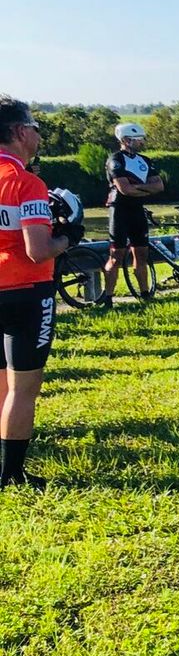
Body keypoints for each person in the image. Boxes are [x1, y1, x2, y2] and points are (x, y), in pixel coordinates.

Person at [0, 98, 75, 487]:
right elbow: (38, 250)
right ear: (19, 131)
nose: (38, 136)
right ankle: (12, 473)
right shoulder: (26, 182)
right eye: (34, 128)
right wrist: (69, 236)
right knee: (23, 388)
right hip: (26, 291)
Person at [98, 121, 165, 303]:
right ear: (126, 140)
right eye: (138, 139)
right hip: (119, 211)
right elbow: (124, 189)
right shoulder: (115, 160)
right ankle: (108, 298)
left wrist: (138, 188)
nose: (141, 142)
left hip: (137, 210)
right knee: (116, 256)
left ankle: (145, 295)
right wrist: (147, 188)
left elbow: (159, 186)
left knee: (141, 254)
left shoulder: (145, 160)